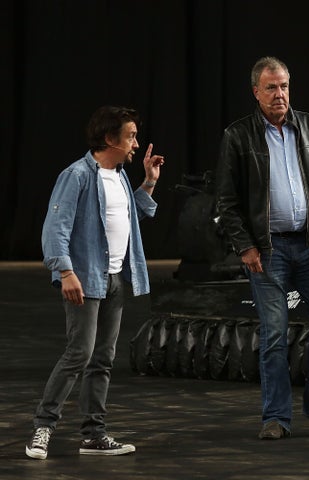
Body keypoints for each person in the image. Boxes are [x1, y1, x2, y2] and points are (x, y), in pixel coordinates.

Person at [215, 56, 309, 440]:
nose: (280, 94)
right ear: (256, 92)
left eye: (285, 86)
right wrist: (245, 246)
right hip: (267, 251)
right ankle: (275, 417)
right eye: (272, 87)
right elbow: (226, 202)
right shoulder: (238, 136)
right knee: (274, 333)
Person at [26, 106, 165, 459]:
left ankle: (93, 435)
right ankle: (43, 428)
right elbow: (54, 229)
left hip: (115, 279)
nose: (136, 144)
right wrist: (65, 271)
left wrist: (148, 182)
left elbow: (133, 215)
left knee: (102, 358)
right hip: (86, 279)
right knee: (79, 354)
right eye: (131, 136)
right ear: (109, 138)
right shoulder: (76, 176)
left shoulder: (118, 176)